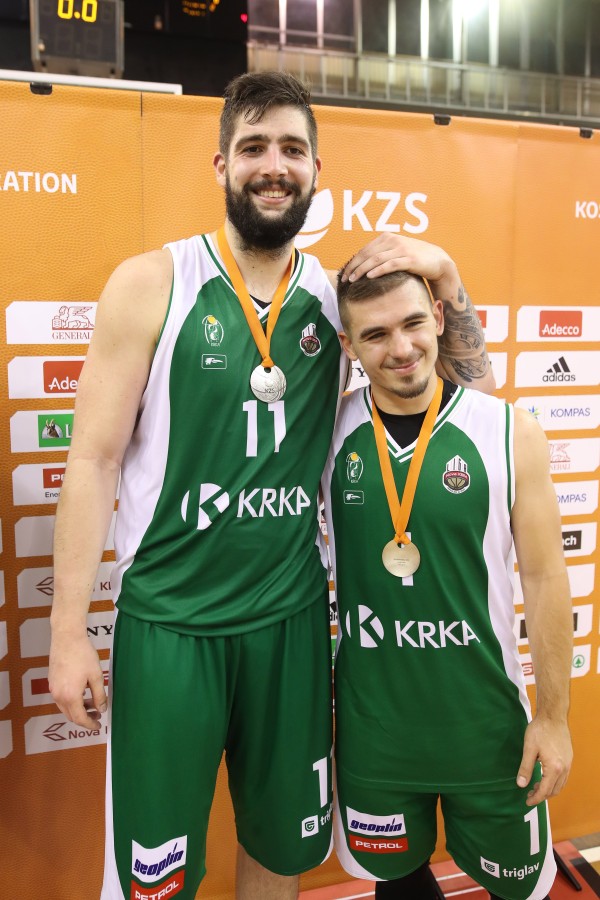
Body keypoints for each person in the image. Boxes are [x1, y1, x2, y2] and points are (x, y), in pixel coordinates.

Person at [48, 72, 494, 900]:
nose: (274, 165)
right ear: (222, 163)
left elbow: (468, 403)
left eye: (292, 148)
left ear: (317, 169)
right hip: (170, 628)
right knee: (153, 880)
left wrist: (448, 275)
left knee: (282, 853)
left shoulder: (336, 302)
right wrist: (68, 630)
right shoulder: (151, 283)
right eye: (254, 147)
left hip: (290, 627)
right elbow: (91, 461)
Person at [322, 269, 573, 900]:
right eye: (375, 334)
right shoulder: (323, 435)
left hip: (488, 730)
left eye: (413, 323)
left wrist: (553, 718)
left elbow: (546, 579)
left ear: (438, 317)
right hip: (374, 732)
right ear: (348, 346)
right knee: (396, 885)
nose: (401, 348)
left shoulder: (510, 430)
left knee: (518, 889)